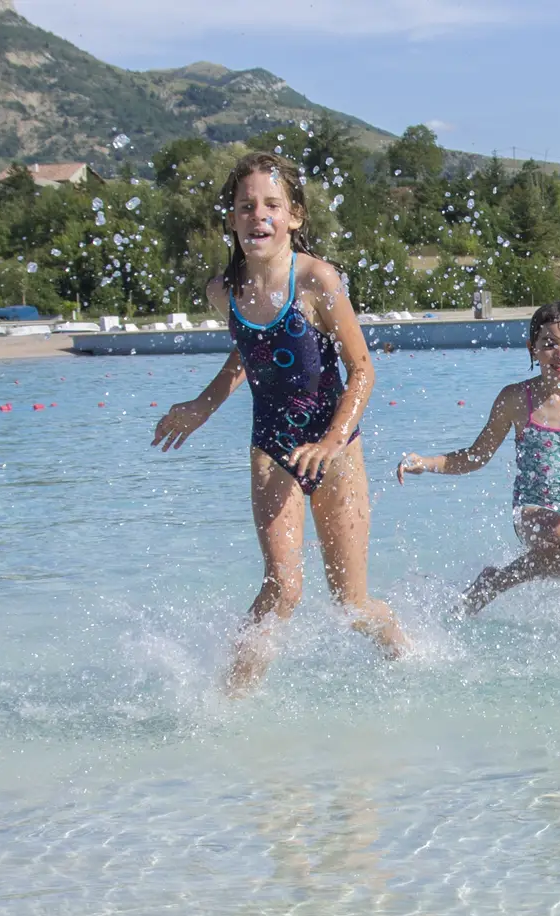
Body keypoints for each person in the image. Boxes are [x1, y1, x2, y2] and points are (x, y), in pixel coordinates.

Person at [152, 150, 408, 691]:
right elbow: (249, 352)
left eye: (272, 204)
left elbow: (362, 370)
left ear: (295, 217)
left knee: (351, 603)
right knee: (283, 587)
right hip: (271, 446)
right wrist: (203, 404)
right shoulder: (224, 291)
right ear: (231, 219)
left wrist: (333, 441)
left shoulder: (317, 281)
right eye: (246, 206)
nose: (258, 216)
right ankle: (229, 700)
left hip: (336, 448)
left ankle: (409, 663)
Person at [398, 302, 560, 629]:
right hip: (532, 511)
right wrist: (427, 463)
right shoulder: (516, 399)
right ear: (532, 348)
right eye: (549, 343)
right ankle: (498, 582)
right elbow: (477, 456)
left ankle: (501, 585)